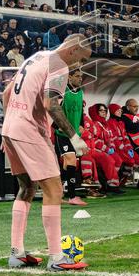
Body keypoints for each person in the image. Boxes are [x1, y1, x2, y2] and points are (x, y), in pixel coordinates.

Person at [1, 34, 93, 271]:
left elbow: (6, 94)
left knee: (27, 187)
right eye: (81, 60)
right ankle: (56, 257)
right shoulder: (59, 66)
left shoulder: (37, 57)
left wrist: (9, 124)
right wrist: (74, 137)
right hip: (30, 130)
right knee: (54, 188)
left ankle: (16, 252)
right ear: (72, 50)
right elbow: (50, 104)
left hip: (11, 128)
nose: (80, 67)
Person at [54, 69, 88, 205]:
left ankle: (56, 193)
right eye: (77, 76)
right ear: (69, 77)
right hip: (62, 134)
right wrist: (57, 127)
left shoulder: (80, 92)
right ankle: (72, 196)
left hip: (75, 135)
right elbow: (53, 111)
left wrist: (81, 124)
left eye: (81, 76)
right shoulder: (62, 92)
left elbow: (80, 111)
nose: (80, 79)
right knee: (71, 161)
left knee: (69, 165)